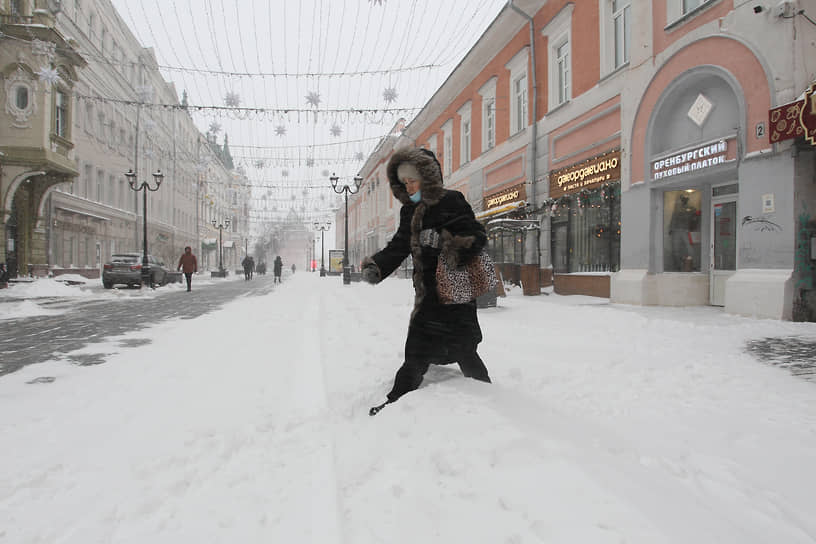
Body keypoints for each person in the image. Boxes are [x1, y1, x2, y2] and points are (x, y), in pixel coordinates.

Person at [361, 147, 491, 416]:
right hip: (429, 295)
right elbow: (399, 245)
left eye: (412, 180)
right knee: (417, 350)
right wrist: (378, 265)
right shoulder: (409, 212)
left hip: (455, 292)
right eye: (404, 182)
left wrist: (445, 242)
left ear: (428, 178)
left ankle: (489, 396)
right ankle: (397, 398)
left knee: (464, 350)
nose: (408, 187)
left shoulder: (452, 201)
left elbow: (476, 236)